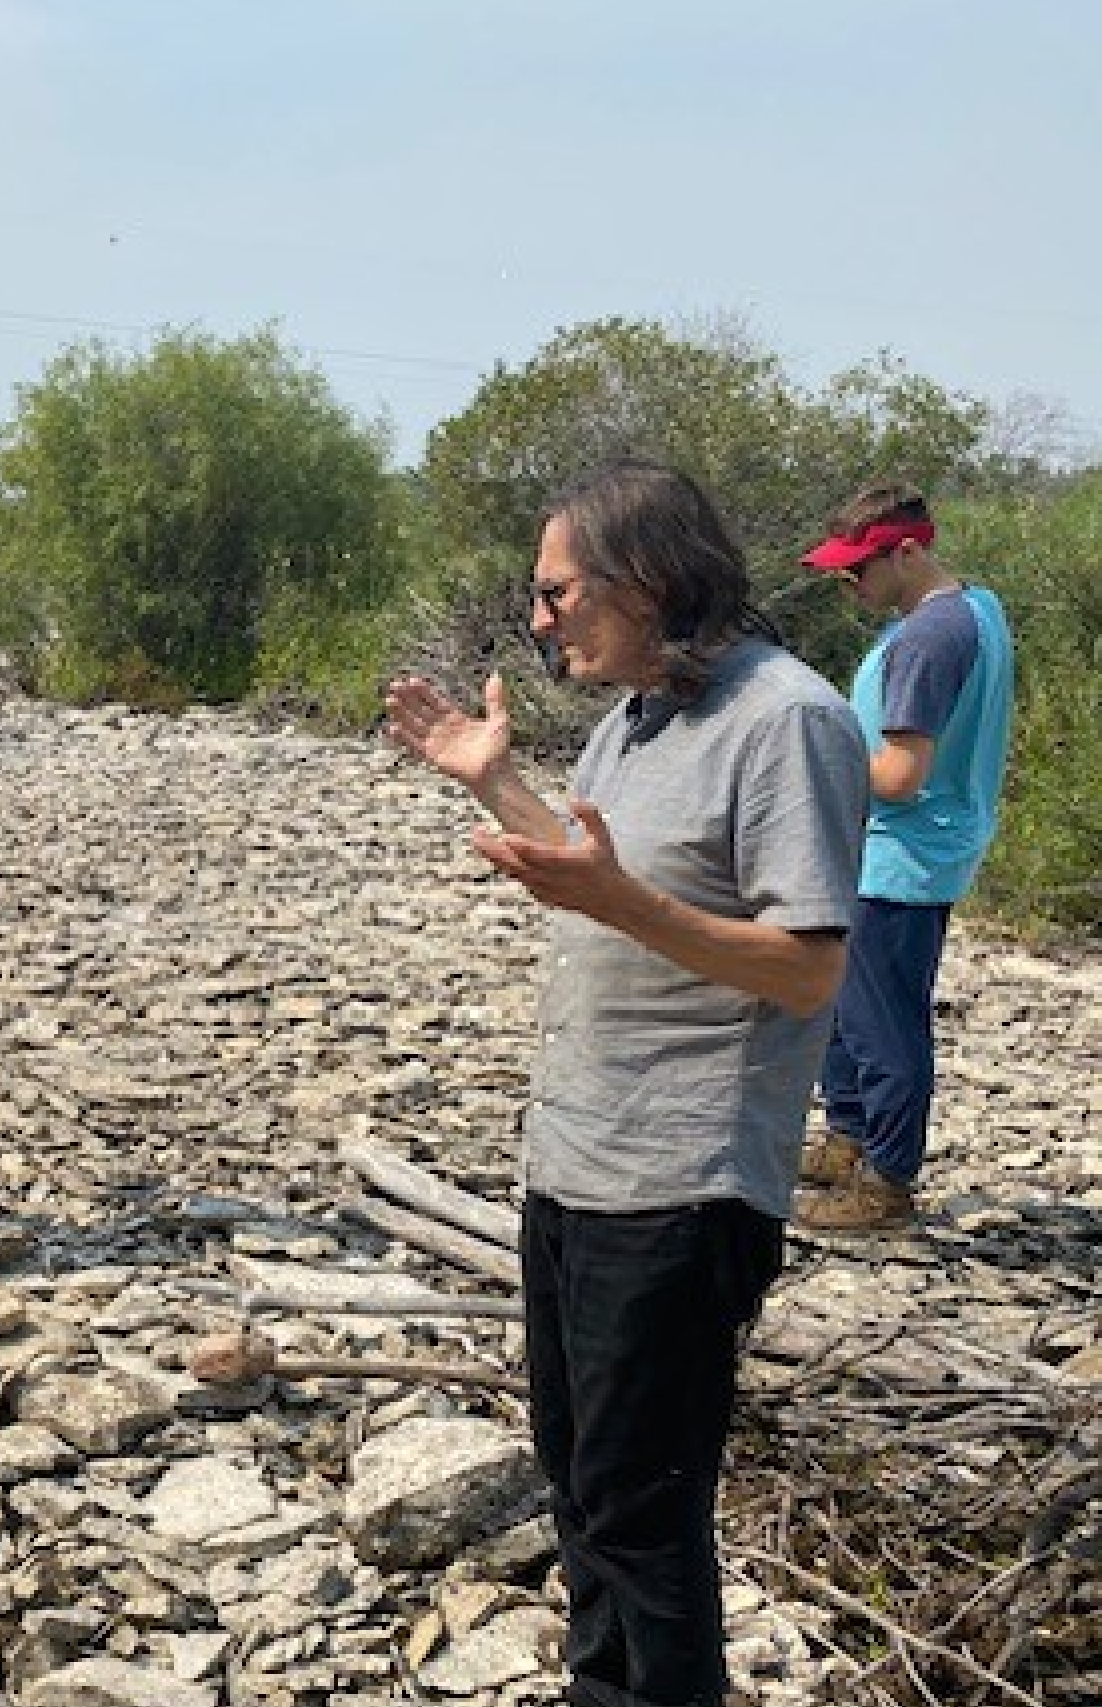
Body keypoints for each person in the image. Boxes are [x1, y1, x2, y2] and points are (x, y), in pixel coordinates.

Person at [383, 459, 866, 1707]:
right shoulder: (636, 716)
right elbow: (593, 875)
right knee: (584, 1493)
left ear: (644, 577)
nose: (537, 618)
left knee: (646, 1518)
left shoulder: (787, 720)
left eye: (555, 592)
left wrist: (625, 900)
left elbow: (810, 970)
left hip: (685, 1178)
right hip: (577, 1163)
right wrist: (493, 777)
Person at [795, 484, 1015, 1231]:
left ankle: (887, 1182)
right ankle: (850, 1136)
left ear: (909, 551)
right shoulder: (971, 607)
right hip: (902, 850)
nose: (845, 582)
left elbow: (899, 773)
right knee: (844, 1008)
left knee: (883, 1023)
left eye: (858, 568)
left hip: (903, 857)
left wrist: (808, 763)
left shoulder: (928, 638)